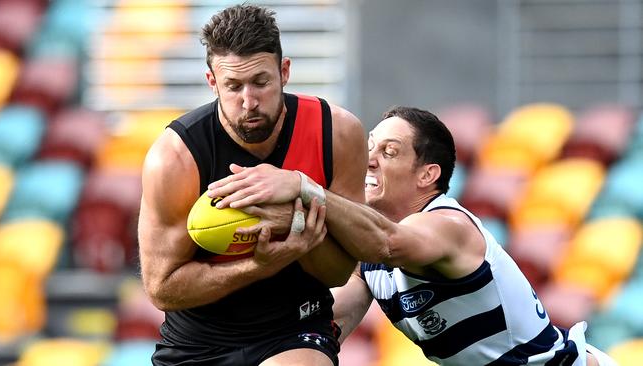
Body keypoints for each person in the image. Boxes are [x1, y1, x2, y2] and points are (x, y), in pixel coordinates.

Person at [207, 106, 616, 365]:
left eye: (388, 151)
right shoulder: (366, 257)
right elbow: (329, 324)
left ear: (427, 175)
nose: (368, 159)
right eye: (370, 146)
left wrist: (303, 187)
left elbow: (388, 243)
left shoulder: (447, 225)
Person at [137, 4, 368, 366]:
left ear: (284, 72)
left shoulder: (335, 133)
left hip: (295, 326)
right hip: (197, 342)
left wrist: (296, 222)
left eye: (261, 82)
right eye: (233, 86)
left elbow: (339, 273)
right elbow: (162, 288)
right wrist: (261, 264)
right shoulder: (176, 157)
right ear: (212, 82)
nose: (249, 102)